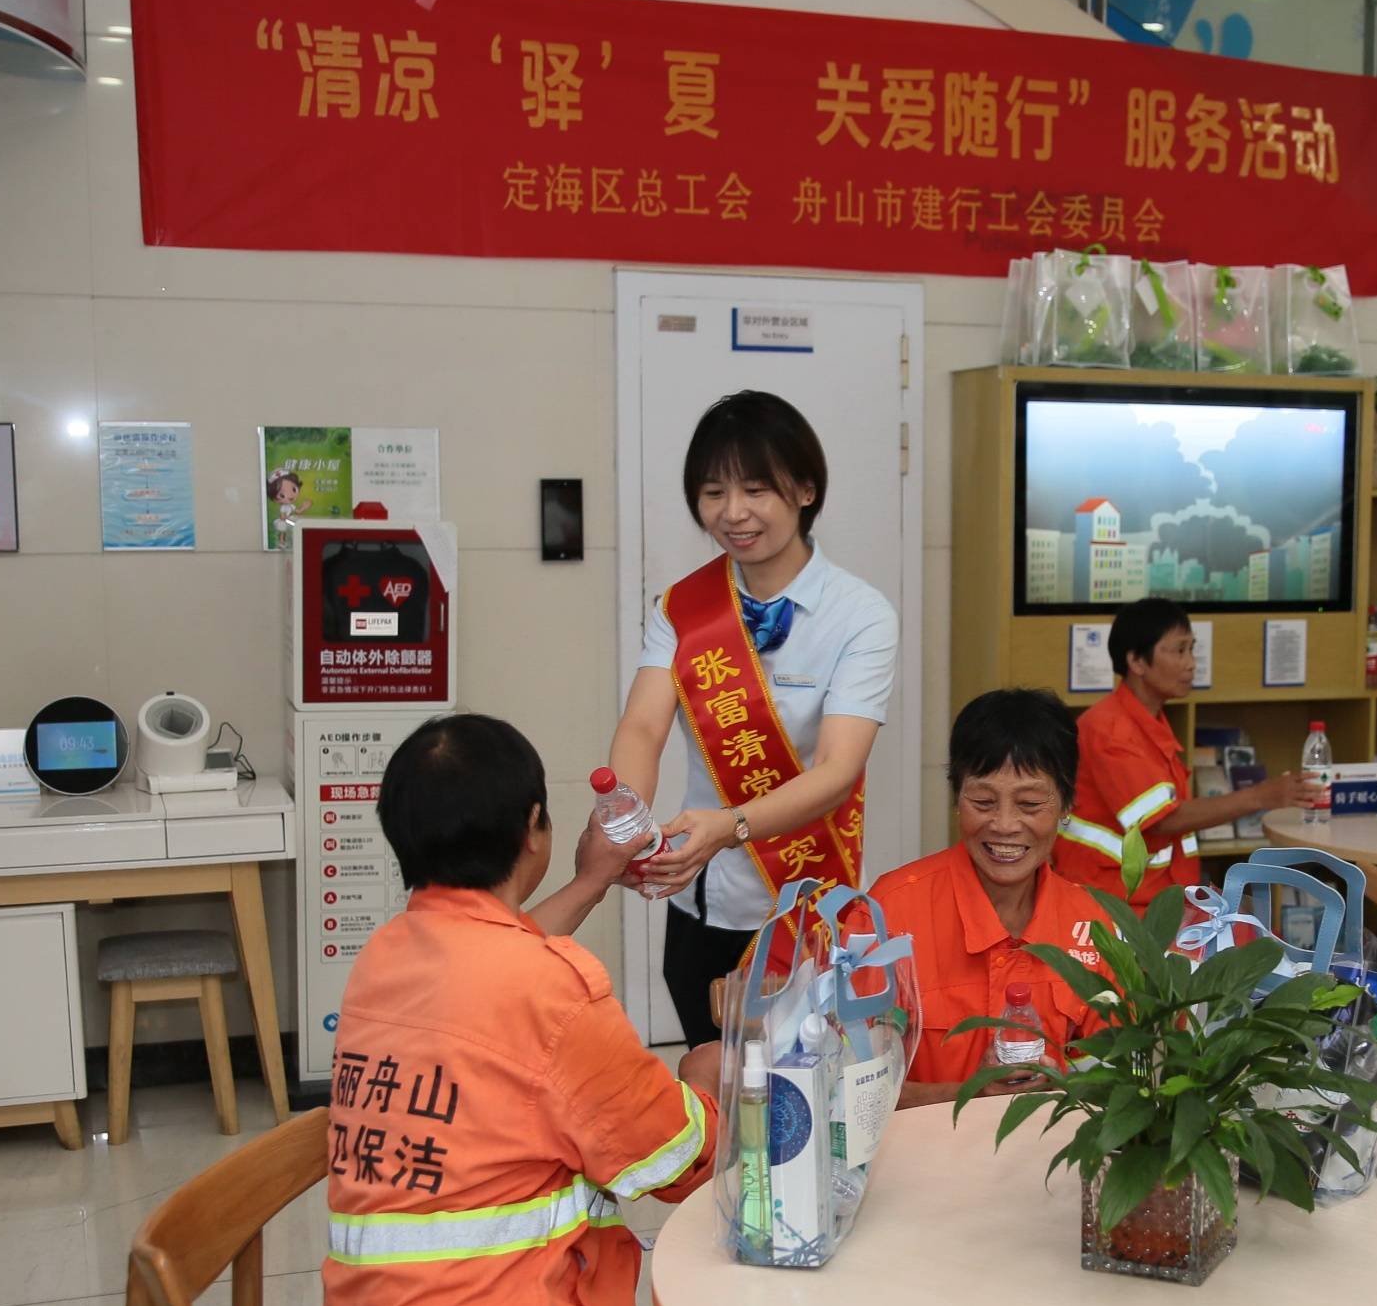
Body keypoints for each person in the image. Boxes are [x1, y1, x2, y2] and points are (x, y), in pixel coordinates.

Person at [531, 391, 897, 1048]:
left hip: (801, 905)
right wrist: (629, 819)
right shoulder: (685, 607)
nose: (732, 512)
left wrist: (729, 827)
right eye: (712, 491)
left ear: (806, 489)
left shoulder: (861, 615)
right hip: (698, 901)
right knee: (710, 1082)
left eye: (756, 489)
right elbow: (643, 725)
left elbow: (839, 770)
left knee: (796, 1096)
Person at [325, 715, 720, 1306]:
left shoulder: (384, 957)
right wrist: (705, 1081)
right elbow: (674, 1165)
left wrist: (594, 878)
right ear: (534, 827)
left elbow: (491, 965)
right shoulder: (551, 989)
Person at [870, 689, 1112, 1109]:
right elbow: (844, 1091)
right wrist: (967, 1097)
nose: (1004, 825)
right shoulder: (889, 912)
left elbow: (1120, 1079)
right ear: (955, 798)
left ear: (1067, 804)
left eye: (1030, 803)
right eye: (982, 801)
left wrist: (1062, 1085)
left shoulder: (1093, 924)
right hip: (918, 1167)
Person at [1054, 598, 1318, 914]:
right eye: (1179, 651)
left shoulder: (1148, 721)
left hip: (1155, 901)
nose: (1191, 663)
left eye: (1192, 649)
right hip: (1114, 907)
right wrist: (1262, 795)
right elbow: (1163, 821)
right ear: (1137, 661)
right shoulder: (1109, 730)